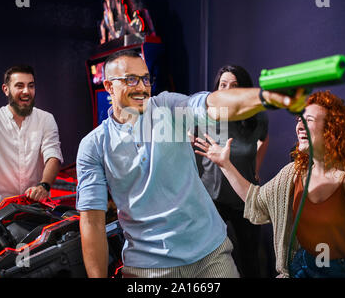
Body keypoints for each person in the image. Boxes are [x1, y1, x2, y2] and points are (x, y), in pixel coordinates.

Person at [75, 49, 307, 278]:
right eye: (131, 79)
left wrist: (265, 97)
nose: (141, 87)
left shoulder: (166, 107)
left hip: (210, 255)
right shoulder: (94, 145)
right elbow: (92, 222)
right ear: (108, 86)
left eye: (145, 78)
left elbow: (213, 105)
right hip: (148, 267)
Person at [194, 90, 345, 278]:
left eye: (308, 120)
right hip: (300, 270)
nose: (299, 126)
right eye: (298, 120)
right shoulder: (293, 174)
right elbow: (256, 201)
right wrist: (224, 164)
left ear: (332, 130)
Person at [196, 65, 269, 277]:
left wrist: (255, 168)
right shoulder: (204, 114)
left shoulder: (257, 117)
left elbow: (264, 139)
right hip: (212, 200)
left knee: (249, 260)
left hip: (244, 201)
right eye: (223, 84)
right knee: (209, 260)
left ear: (243, 90)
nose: (227, 90)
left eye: (235, 86)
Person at [0, 65, 63, 208]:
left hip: (37, 207)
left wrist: (44, 186)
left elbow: (53, 156)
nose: (26, 91)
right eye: (19, 86)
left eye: (31, 86)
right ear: (6, 89)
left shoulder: (46, 119)